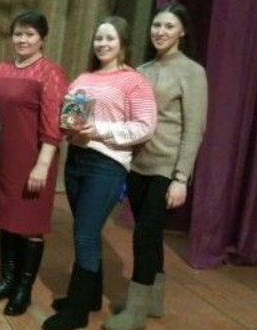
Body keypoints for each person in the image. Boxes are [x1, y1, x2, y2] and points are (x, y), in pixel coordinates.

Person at [43, 17, 157, 330]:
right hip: (77, 159)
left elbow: (145, 126)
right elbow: (71, 116)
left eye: (109, 38)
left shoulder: (134, 81)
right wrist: (68, 126)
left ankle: (77, 310)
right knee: (85, 230)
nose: (102, 44)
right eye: (98, 38)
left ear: (123, 43)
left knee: (85, 233)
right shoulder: (84, 78)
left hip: (107, 164)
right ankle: (89, 297)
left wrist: (99, 130)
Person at [103, 3, 208, 330]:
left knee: (145, 236)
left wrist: (181, 178)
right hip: (138, 166)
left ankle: (136, 311)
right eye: (157, 25)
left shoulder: (192, 71)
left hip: (167, 167)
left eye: (169, 26)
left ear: (182, 31)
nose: (160, 32)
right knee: (149, 235)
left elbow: (195, 129)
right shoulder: (142, 70)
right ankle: (153, 301)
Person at [0, 11, 68, 315]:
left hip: (34, 160)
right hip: (5, 158)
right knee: (7, 222)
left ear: (42, 38)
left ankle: (23, 288)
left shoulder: (50, 73)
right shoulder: (1, 69)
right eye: (18, 33)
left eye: (30, 34)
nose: (22, 39)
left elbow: (53, 125)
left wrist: (42, 165)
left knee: (29, 226)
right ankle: (7, 280)